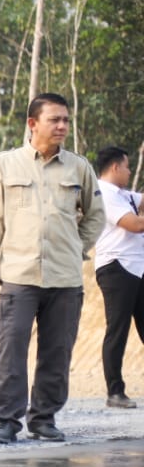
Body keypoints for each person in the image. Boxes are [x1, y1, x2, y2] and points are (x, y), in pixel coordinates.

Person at [0, 93, 104, 443]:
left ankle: (44, 418)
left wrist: (76, 246)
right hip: (18, 275)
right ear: (33, 124)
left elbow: (96, 215)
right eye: (54, 120)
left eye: (65, 120)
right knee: (11, 349)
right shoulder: (6, 164)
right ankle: (5, 421)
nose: (62, 126)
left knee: (57, 351)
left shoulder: (79, 167)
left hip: (65, 277)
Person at [92, 146, 143, 409]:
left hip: (137, 267)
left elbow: (142, 200)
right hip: (116, 268)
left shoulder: (123, 194)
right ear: (115, 167)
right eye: (127, 166)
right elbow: (135, 225)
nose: (130, 170)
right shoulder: (104, 194)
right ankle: (115, 392)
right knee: (118, 330)